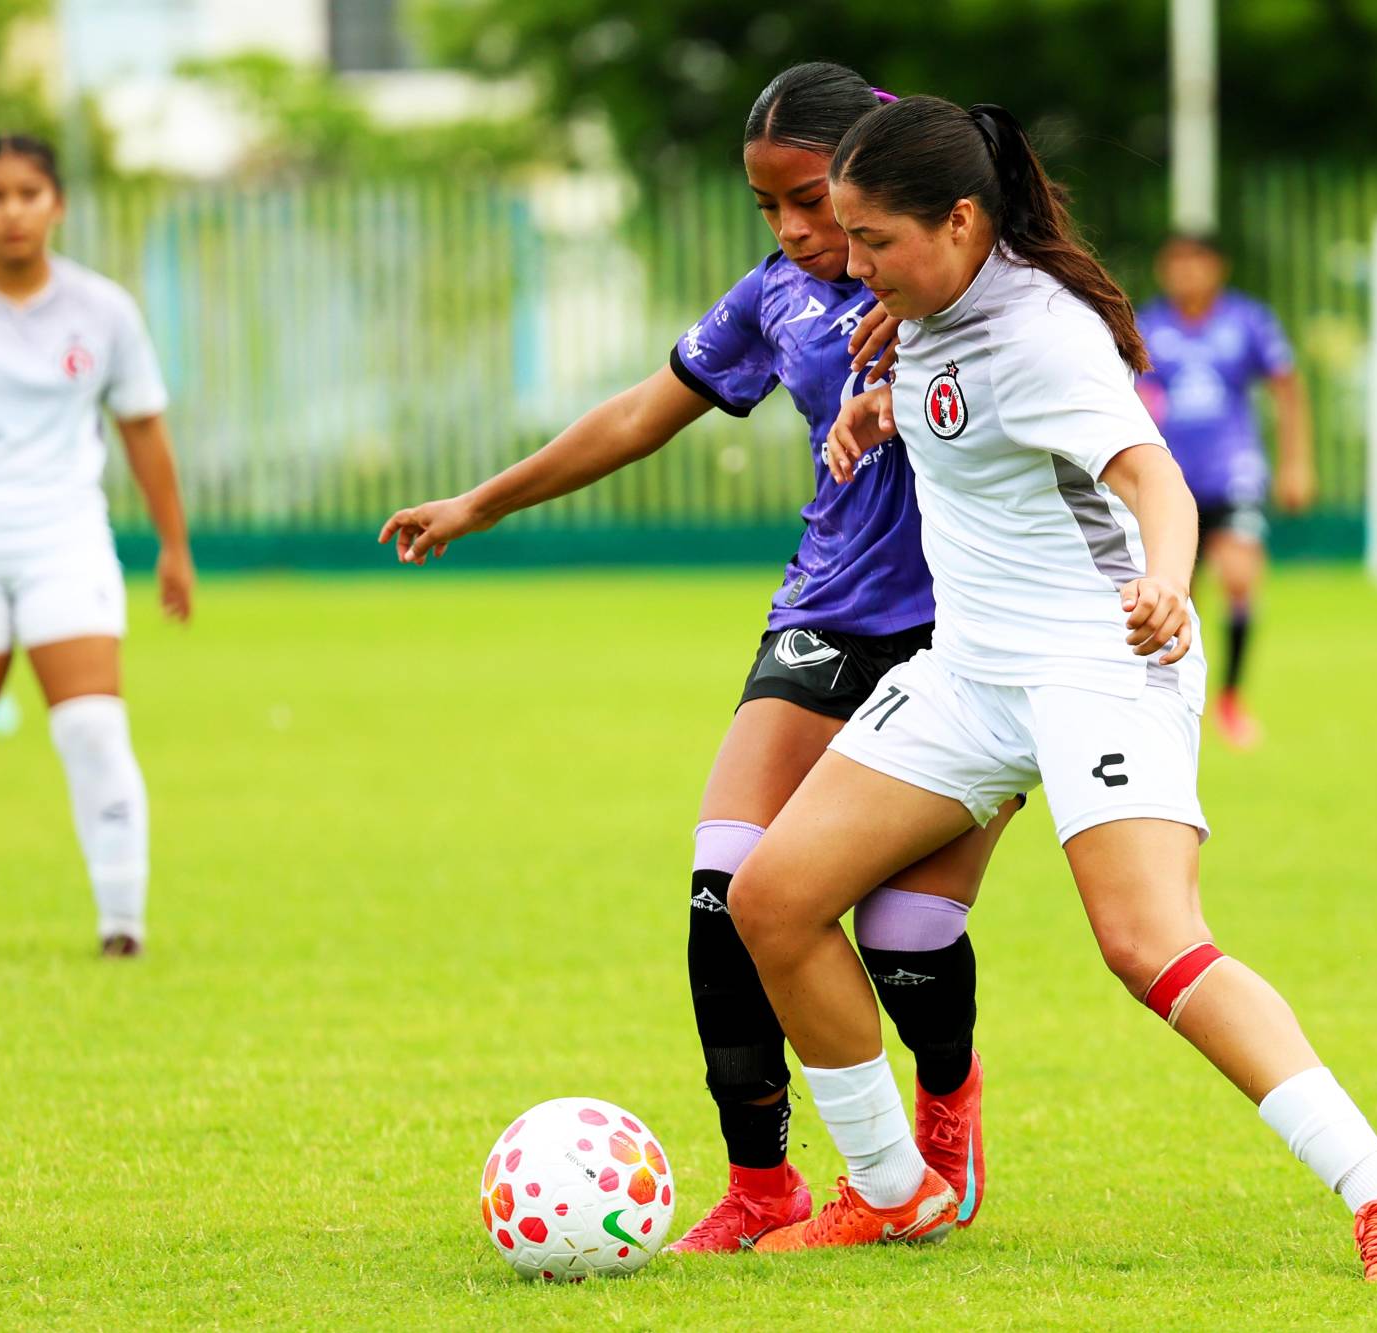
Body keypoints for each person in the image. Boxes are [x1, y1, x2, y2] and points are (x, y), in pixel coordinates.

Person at [727, 96, 1377, 1282]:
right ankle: (891, 1192)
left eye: (872, 241)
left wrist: (1166, 586)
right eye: (843, 236)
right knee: (770, 900)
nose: (847, 266)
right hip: (969, 674)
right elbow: (961, 418)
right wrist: (879, 402)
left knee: (1146, 943)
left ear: (960, 221)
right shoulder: (920, 308)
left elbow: (1151, 479)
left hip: (1098, 665)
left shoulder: (1040, 332)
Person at [379, 63, 1009, 1253]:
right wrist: (483, 501)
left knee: (905, 938)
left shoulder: (979, 275)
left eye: (810, 201)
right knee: (725, 885)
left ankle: (942, 1113)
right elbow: (637, 412)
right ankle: (761, 1183)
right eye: (767, 207)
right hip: (826, 618)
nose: (792, 230)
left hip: (975, 638)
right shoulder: (776, 295)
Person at [0, 135, 194, 957]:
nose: (12, 210)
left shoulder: (104, 310)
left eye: (28, 193)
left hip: (66, 541)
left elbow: (143, 429)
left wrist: (173, 546)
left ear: (57, 204)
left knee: (93, 727)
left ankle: (121, 925)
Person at [1136, 233, 1313, 749]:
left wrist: (1296, 464)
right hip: (1171, 481)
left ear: (1218, 268)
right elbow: (1130, 391)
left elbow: (1287, 386)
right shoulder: (1148, 326)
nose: (1186, 274)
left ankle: (1232, 698)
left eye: (1197, 263)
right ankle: (1166, 704)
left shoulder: (1247, 321)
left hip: (1233, 472)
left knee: (1239, 575)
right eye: (1176, 264)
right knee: (1172, 594)